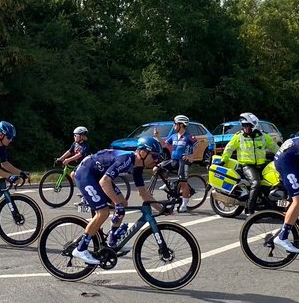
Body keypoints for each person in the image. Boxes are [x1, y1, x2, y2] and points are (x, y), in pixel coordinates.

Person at [70, 137, 164, 265]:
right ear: (143, 152)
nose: (156, 160)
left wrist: (161, 209)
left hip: (97, 176)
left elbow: (143, 193)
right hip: (86, 174)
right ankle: (81, 249)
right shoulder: (126, 159)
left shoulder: (138, 166)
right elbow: (104, 181)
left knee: (123, 203)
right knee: (103, 212)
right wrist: (117, 204)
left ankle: (112, 240)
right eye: (154, 156)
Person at [221, 112, 279, 214]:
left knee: (275, 181)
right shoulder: (239, 136)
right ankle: (249, 209)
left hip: (262, 165)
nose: (245, 128)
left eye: (248, 125)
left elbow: (275, 148)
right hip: (247, 166)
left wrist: (285, 156)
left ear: (254, 125)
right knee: (256, 183)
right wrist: (224, 160)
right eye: (244, 125)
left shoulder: (263, 136)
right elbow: (229, 148)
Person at [155, 114, 204, 212]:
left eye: (175, 124)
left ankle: (184, 205)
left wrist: (191, 157)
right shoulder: (173, 136)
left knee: (183, 183)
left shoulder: (189, 137)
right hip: (174, 160)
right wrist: (158, 136)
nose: (174, 126)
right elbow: (164, 144)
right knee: (157, 168)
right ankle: (168, 183)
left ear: (181, 125)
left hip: (184, 161)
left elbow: (198, 148)